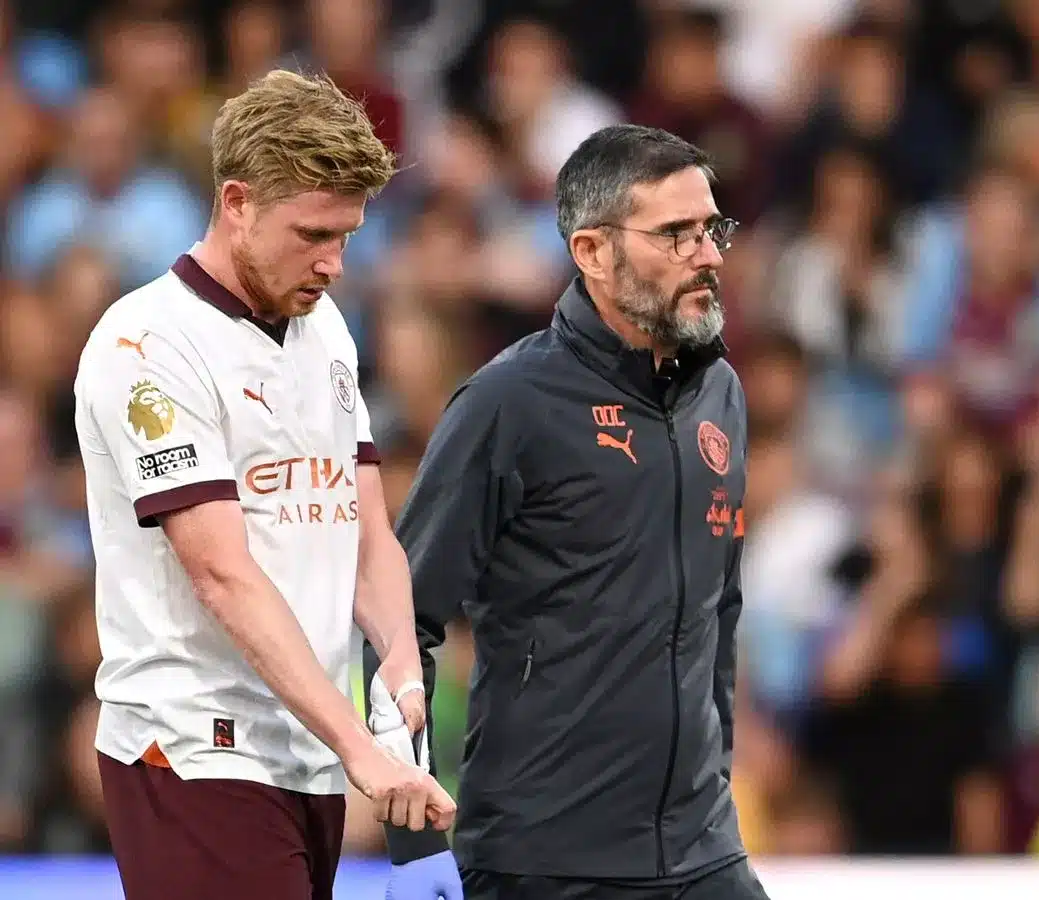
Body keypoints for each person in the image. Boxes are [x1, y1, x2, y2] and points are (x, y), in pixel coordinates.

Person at [72, 69, 455, 900]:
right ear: (237, 203)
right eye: (313, 233)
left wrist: (399, 665)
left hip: (305, 753)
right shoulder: (148, 345)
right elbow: (220, 572)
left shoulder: (326, 330)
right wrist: (357, 743)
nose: (335, 264)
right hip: (193, 747)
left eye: (347, 236)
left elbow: (365, 532)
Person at [365, 124, 770, 900]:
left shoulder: (721, 393)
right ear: (592, 253)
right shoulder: (509, 402)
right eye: (676, 234)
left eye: (712, 229)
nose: (710, 256)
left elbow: (720, 609)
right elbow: (396, 619)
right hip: (544, 860)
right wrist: (413, 843)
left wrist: (715, 781)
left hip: (701, 850)